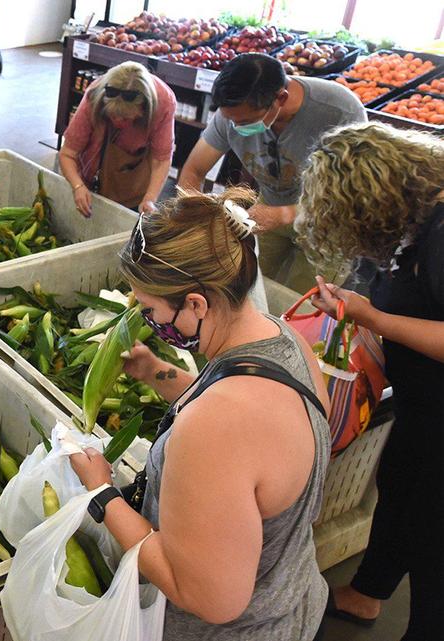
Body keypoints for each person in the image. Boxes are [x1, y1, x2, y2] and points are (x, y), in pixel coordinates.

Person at [68, 188, 332, 640]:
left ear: (195, 304)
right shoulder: (285, 341)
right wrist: (157, 371)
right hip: (294, 601)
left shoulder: (213, 431)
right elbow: (252, 436)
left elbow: (212, 600)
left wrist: (102, 494)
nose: (145, 319)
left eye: (149, 309)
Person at [295, 122, 444, 641]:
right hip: (421, 405)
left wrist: (375, 319)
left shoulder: (442, 235)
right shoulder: (412, 221)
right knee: (400, 489)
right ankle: (366, 594)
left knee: (433, 537)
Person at [177, 53, 365, 292]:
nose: (237, 127)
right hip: (269, 207)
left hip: (328, 221)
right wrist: (194, 222)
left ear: (280, 98)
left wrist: (284, 215)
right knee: (244, 287)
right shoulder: (233, 113)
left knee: (300, 302)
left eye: (246, 121)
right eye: (230, 120)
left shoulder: (340, 112)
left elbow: (353, 196)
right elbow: (194, 170)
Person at [59, 61, 175, 215]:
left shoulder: (164, 102)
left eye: (126, 118)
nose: (118, 122)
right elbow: (68, 153)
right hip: (89, 180)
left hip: (132, 183)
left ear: (144, 108)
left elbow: (161, 160)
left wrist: (150, 198)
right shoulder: (94, 94)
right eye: (112, 116)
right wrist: (78, 186)